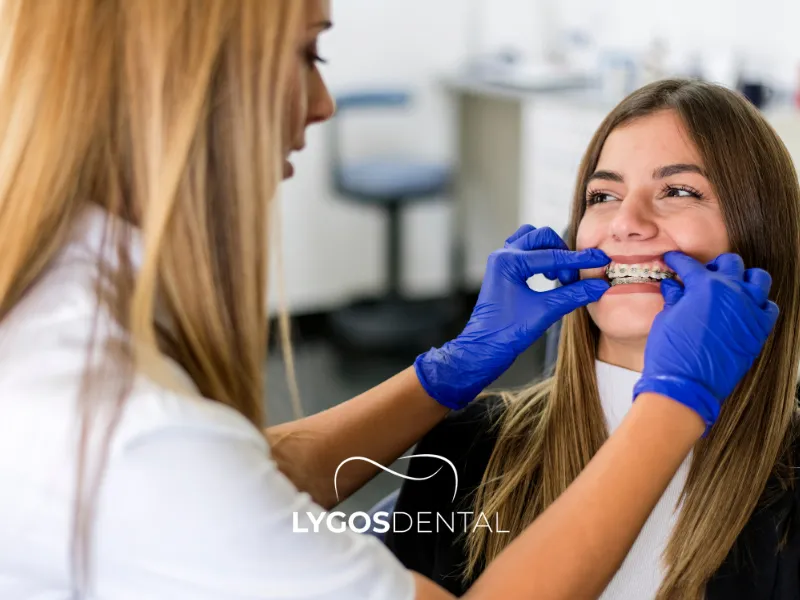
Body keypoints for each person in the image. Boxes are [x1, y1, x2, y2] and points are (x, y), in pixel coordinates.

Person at [0, 2, 778, 599]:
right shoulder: (470, 455)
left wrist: (442, 374)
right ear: (183, 72)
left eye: (678, 190)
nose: (322, 102)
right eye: (307, 52)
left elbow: (238, 477)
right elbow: (193, 477)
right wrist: (674, 403)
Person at [387, 78, 800, 600]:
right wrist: (448, 370)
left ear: (762, 238)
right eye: (602, 196)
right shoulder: (464, 448)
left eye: (678, 191)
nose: (625, 223)